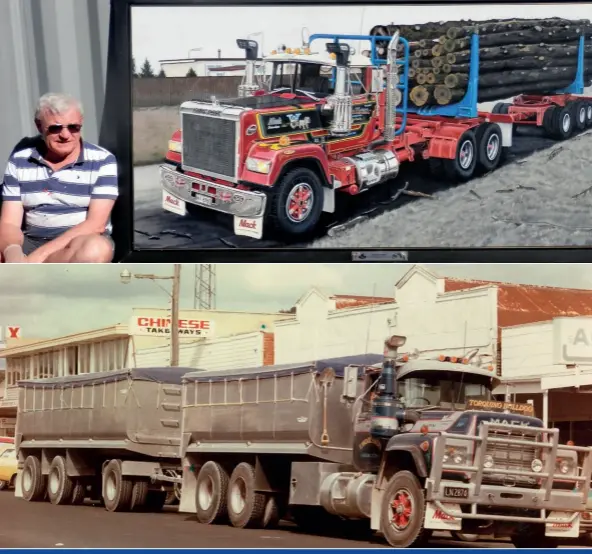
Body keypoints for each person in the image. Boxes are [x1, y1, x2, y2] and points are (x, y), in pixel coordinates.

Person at [0, 92, 118, 263]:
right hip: (30, 242)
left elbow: (95, 224)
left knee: (96, 250)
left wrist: (36, 259)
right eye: (55, 128)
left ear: (81, 124)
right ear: (39, 126)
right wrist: (13, 254)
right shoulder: (20, 160)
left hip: (73, 245)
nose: (65, 135)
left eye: (73, 127)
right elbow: (10, 223)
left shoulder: (102, 161)